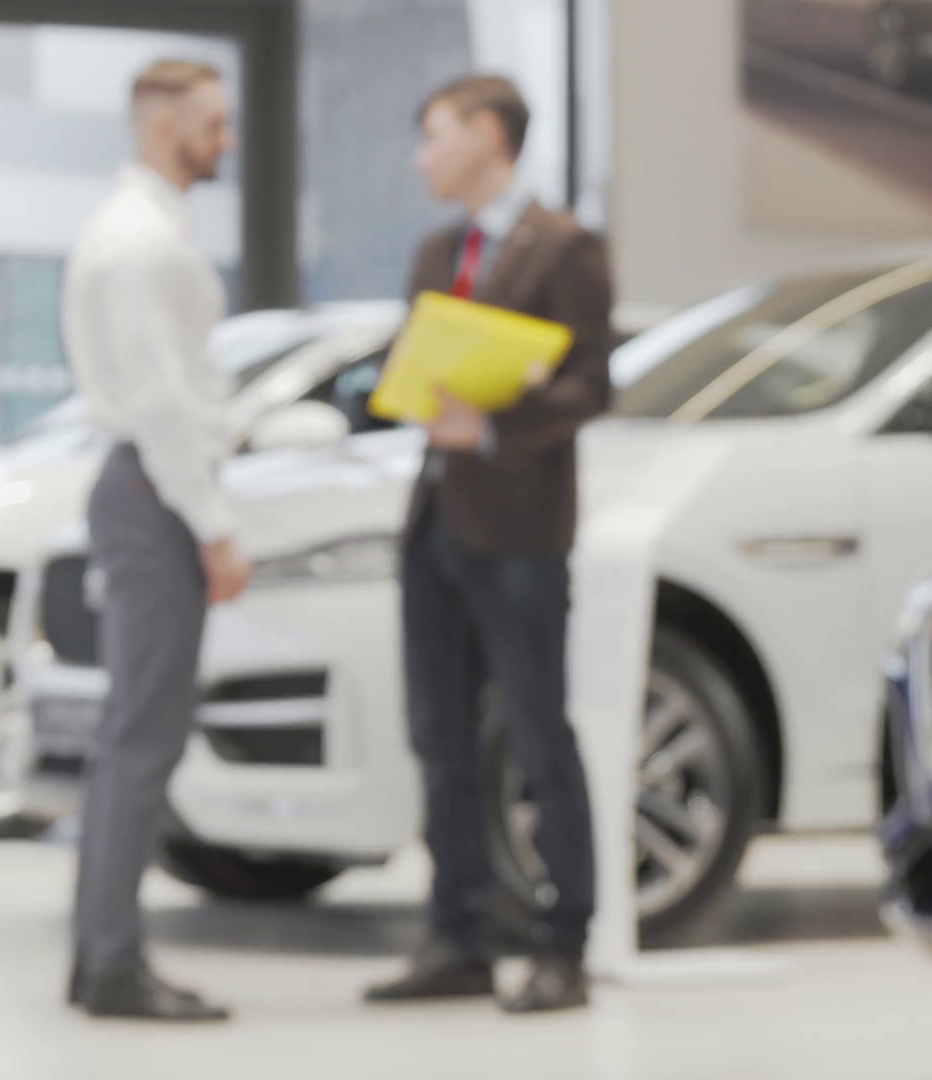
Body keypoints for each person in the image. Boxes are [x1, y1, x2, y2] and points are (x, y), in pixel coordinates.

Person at [363, 74, 614, 1015]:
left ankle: (564, 942)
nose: (422, 157)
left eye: (435, 135)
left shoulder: (565, 246)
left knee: (540, 731)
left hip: (519, 529)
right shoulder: (437, 251)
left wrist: (498, 426)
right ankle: (459, 938)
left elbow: (593, 384)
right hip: (434, 518)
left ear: (487, 135)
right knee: (439, 736)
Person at [60, 58, 248, 1023]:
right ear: (164, 124)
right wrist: (214, 527)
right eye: (214, 122)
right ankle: (114, 965)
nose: (227, 138)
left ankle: (100, 958)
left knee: (130, 735)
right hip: (155, 493)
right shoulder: (140, 242)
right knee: (143, 739)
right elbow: (163, 397)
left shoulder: (141, 228)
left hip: (142, 484)